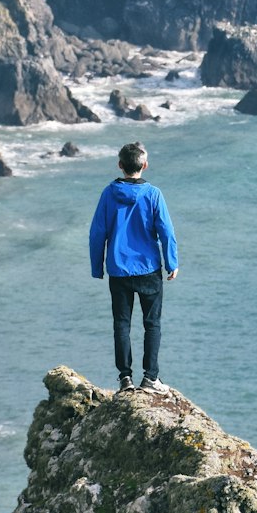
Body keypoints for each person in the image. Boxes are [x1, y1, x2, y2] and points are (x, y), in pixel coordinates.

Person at [89, 141, 179, 394]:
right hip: (149, 268)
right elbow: (166, 232)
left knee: (122, 324)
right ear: (145, 165)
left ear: (120, 165)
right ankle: (150, 378)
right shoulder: (153, 194)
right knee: (152, 324)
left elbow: (97, 233)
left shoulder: (109, 193)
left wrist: (97, 267)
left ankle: (125, 379)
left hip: (118, 270)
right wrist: (172, 262)